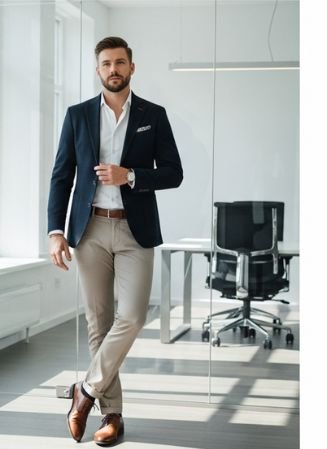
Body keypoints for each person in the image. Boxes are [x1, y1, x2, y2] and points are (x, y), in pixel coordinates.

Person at [47, 36, 183, 445]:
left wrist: (132, 176)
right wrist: (56, 231)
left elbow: (174, 173)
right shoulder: (78, 116)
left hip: (134, 228)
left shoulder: (152, 115)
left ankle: (84, 391)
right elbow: (61, 176)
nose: (113, 69)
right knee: (99, 324)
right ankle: (112, 417)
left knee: (134, 316)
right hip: (88, 231)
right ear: (98, 69)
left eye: (120, 62)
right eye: (106, 63)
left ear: (132, 67)